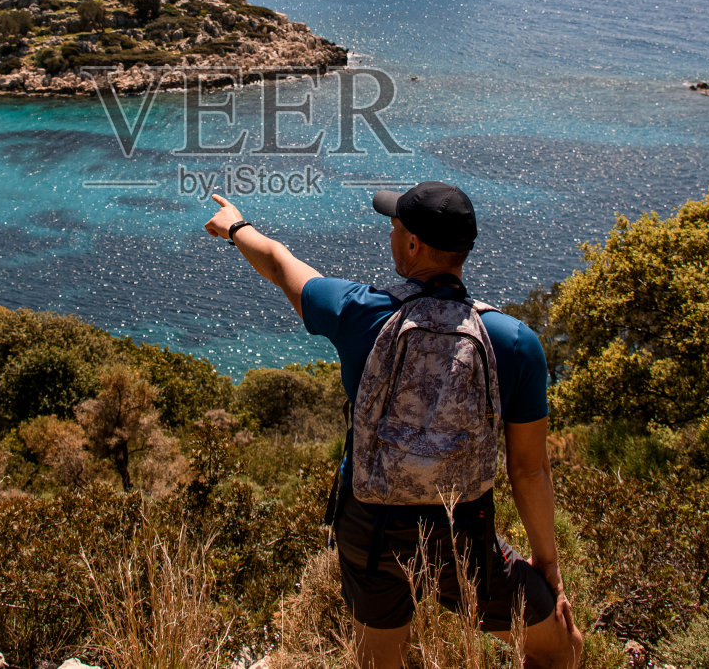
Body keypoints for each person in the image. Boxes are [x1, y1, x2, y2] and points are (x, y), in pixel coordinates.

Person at [205, 182, 583, 669]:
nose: (390, 235)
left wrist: (236, 226)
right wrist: (547, 564)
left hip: (370, 529)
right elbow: (529, 469)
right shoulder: (513, 342)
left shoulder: (360, 313)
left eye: (395, 227)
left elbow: (280, 264)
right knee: (561, 648)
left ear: (413, 245)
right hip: (464, 534)